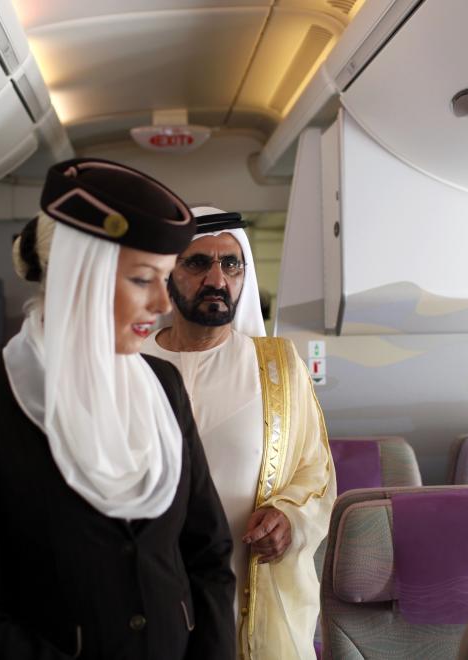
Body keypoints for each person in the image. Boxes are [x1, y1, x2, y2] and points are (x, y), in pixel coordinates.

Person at [0, 159, 236, 660]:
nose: (163, 302)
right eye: (141, 279)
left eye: (164, 278)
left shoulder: (162, 385)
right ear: (79, 277)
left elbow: (208, 553)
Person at [142, 207, 335, 660]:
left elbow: (315, 471)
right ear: (166, 276)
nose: (217, 277)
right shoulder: (128, 364)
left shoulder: (278, 366)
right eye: (197, 263)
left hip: (248, 585)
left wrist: (288, 518)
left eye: (231, 264)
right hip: (147, 587)